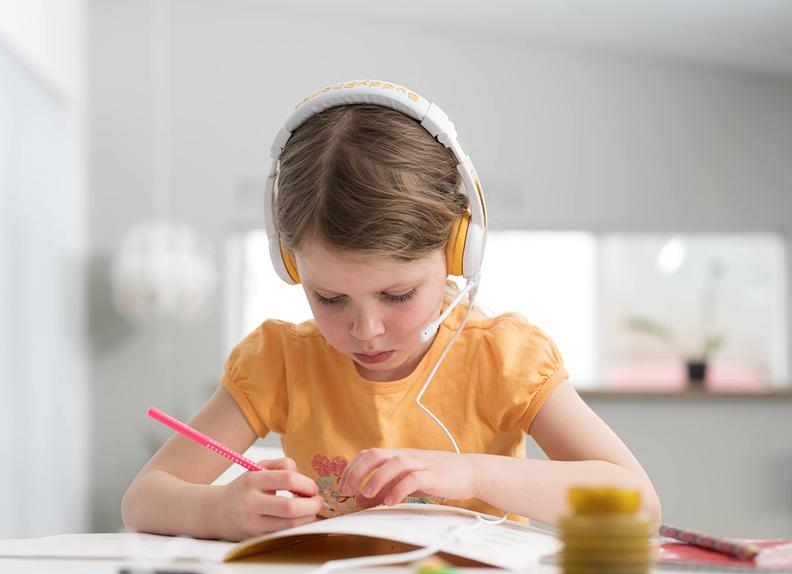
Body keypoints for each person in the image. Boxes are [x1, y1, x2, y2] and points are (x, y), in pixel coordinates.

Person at [122, 80, 661, 541]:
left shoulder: (503, 357)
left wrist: (472, 474)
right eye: (330, 298)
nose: (366, 330)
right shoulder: (280, 362)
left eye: (398, 295)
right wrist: (218, 509)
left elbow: (638, 503)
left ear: (456, 253)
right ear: (291, 264)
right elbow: (143, 498)